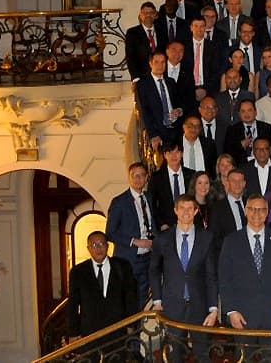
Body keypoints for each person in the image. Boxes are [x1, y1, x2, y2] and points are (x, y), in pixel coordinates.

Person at [218, 195, 271, 346]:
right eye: (252, 209)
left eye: (261, 210)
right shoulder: (231, 241)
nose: (256, 213)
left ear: (267, 213)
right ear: (245, 211)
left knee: (270, 357)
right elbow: (225, 279)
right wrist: (231, 311)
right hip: (242, 315)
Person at [149, 195, 218, 362]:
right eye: (182, 208)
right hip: (172, 305)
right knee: (174, 355)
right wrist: (157, 300)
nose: (186, 212)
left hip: (199, 306)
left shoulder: (206, 238)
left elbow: (210, 275)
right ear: (175, 210)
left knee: (203, 354)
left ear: (196, 211)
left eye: (190, 208)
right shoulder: (162, 238)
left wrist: (213, 308)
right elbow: (153, 270)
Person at [67, 231, 138, 347]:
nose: (98, 248)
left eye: (101, 244)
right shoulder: (78, 271)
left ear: (108, 246)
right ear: (88, 248)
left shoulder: (122, 266)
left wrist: (131, 325)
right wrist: (73, 332)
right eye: (94, 245)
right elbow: (73, 304)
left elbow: (130, 297)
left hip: (117, 330)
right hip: (90, 332)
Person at [105, 162, 156, 304]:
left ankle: (138, 326)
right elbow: (110, 233)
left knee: (143, 298)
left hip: (148, 257)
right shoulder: (119, 202)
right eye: (135, 176)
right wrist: (134, 241)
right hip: (128, 259)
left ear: (146, 178)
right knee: (126, 299)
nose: (138, 178)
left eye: (141, 175)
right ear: (129, 178)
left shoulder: (149, 198)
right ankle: (128, 326)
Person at [136, 50, 184, 151]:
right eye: (156, 62)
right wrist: (153, 135)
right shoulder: (143, 84)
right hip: (158, 132)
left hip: (176, 130)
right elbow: (144, 111)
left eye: (163, 62)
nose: (160, 65)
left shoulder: (171, 82)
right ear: (150, 63)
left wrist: (179, 110)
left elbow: (179, 102)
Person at [148, 140, 195, 231]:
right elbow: (151, 204)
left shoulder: (192, 175)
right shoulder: (156, 178)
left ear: (181, 154)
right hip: (166, 227)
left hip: (189, 224)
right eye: (170, 152)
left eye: (177, 152)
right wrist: (161, 224)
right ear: (165, 155)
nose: (174, 156)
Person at [208, 168, 248, 253]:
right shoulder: (217, 207)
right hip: (227, 253)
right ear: (227, 183)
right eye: (233, 181)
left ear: (244, 184)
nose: (237, 184)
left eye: (240, 181)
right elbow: (214, 236)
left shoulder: (250, 203)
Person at [223, 99, 271, 165]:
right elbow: (227, 152)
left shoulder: (266, 127)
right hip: (241, 166)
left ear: (255, 112)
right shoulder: (232, 130)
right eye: (243, 111)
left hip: (263, 164)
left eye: (249, 110)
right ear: (239, 114)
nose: (246, 114)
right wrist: (241, 145)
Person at [126, 3, 162, 81]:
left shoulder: (162, 31)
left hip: (160, 76)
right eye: (145, 13)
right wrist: (135, 78)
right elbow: (130, 57)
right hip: (141, 77)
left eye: (151, 13)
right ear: (140, 15)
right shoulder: (132, 33)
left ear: (155, 15)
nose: (148, 15)